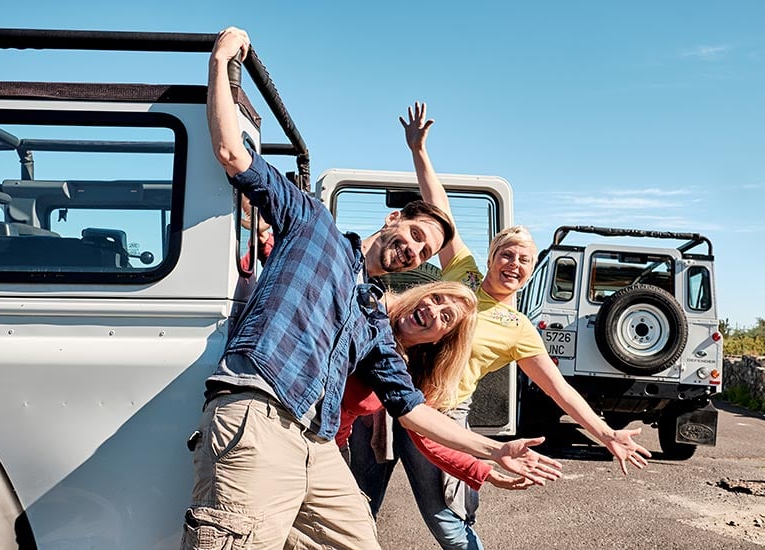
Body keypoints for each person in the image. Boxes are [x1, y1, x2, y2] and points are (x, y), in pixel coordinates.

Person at [181, 29, 563, 550]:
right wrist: (222, 58)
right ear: (392, 221)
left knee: (362, 540)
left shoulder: (372, 316)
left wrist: (489, 452)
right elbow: (232, 152)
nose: (414, 252)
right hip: (262, 409)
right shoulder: (312, 225)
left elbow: (411, 409)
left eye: (426, 254)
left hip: (316, 443)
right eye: (414, 236)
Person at [348, 101, 653, 549]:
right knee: (355, 503)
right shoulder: (463, 275)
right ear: (491, 256)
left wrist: (605, 433)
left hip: (441, 415)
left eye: (523, 260)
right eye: (506, 254)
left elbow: (559, 390)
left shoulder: (519, 328)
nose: (513, 263)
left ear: (531, 271)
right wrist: (419, 151)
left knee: (448, 521)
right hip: (383, 397)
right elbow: (439, 209)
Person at [337, 280, 534, 493]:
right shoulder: (372, 309)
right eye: (436, 298)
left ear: (441, 339)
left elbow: (426, 433)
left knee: (357, 521)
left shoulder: (411, 369)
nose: (433, 309)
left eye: (446, 316)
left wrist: (482, 469)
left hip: (329, 446)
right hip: (301, 427)